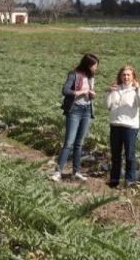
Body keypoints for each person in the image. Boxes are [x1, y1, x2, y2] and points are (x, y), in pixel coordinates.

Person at [51, 53, 99, 182]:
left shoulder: (91, 77)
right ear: (87, 65)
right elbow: (65, 91)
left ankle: (76, 172)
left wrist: (92, 95)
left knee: (79, 143)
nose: (96, 68)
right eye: (94, 66)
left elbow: (90, 94)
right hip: (75, 110)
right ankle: (57, 172)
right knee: (68, 143)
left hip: (87, 110)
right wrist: (80, 92)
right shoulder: (74, 74)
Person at [103, 65, 140, 188]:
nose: (126, 77)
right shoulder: (115, 89)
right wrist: (109, 92)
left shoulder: (135, 90)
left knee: (129, 155)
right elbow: (106, 106)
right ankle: (114, 180)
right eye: (124, 75)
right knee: (115, 154)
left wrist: (139, 90)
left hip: (130, 127)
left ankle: (130, 181)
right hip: (115, 125)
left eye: (128, 75)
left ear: (133, 77)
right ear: (120, 76)